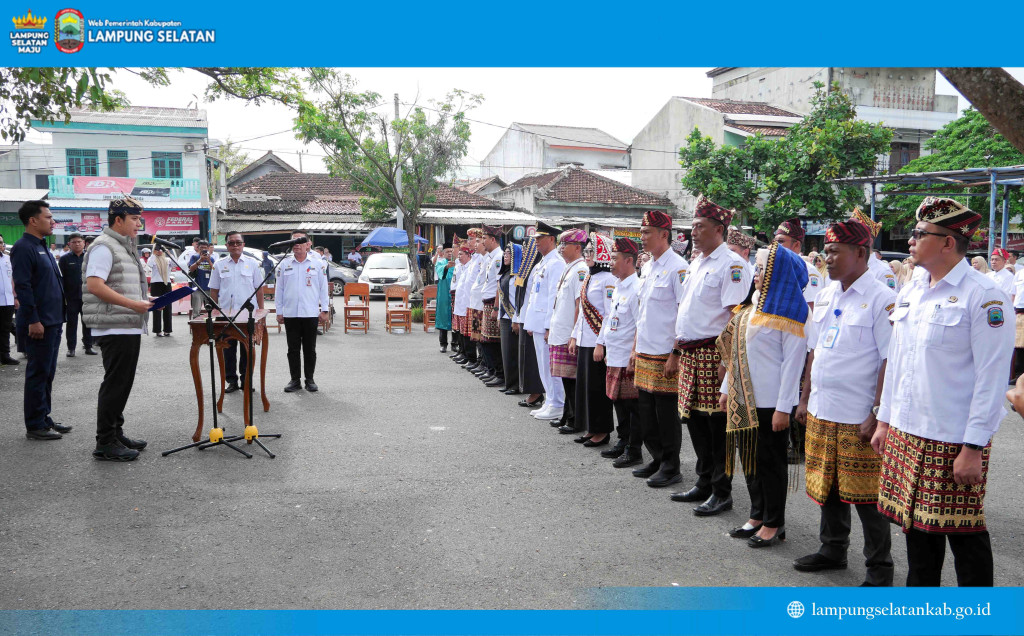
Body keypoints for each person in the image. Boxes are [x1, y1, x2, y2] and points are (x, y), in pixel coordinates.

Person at [872, 197, 1012, 587]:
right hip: (906, 430)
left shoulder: (984, 295)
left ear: (949, 243)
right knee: (916, 536)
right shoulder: (914, 288)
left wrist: (973, 447)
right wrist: (885, 419)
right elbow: (899, 361)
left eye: (920, 234)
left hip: (953, 438)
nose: (911, 240)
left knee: (963, 536)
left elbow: (991, 378)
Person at [793, 215, 896, 586]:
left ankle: (879, 568)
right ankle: (832, 549)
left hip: (859, 414)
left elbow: (889, 359)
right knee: (830, 487)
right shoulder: (826, 294)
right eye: (826, 251)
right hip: (823, 407)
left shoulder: (883, 299)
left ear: (860, 252)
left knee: (868, 495)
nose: (827, 258)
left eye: (835, 252)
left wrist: (878, 411)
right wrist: (804, 398)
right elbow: (814, 350)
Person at [718, 243, 808, 547]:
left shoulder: (793, 310)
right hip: (744, 395)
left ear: (776, 272)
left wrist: (784, 408)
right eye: (756, 268)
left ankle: (774, 522)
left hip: (772, 402)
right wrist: (725, 388)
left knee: (771, 462)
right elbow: (737, 353)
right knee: (751, 460)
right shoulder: (754, 303)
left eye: (761, 269)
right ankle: (757, 514)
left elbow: (793, 365)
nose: (755, 274)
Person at [667, 197, 752, 508]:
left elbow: (737, 318)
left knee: (718, 427)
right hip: (690, 352)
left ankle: (721, 491)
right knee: (696, 423)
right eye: (692, 226)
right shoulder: (697, 262)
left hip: (713, 354)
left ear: (719, 229)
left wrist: (728, 364)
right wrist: (676, 350)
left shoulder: (732, 264)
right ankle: (703, 483)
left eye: (699, 227)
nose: (693, 232)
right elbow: (687, 311)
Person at [82, 196, 153, 460]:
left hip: (126, 323)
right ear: (118, 219)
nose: (139, 223)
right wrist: (134, 305)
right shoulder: (104, 247)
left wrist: (144, 301)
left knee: (122, 383)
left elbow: (121, 284)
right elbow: (95, 286)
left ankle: (115, 431)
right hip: (114, 325)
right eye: (134, 219)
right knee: (115, 383)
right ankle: (105, 442)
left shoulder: (123, 246)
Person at [630, 210, 688, 484]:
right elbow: (642, 312)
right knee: (647, 412)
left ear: (664, 235)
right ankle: (656, 458)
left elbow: (683, 314)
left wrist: (676, 353)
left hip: (665, 352)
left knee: (666, 414)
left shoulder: (678, 268)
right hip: (644, 349)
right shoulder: (648, 266)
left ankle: (671, 466)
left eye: (646, 232)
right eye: (641, 232)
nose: (642, 238)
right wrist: (634, 349)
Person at [12, 200, 69, 440]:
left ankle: (44, 416)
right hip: (40, 323)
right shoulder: (23, 247)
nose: (52, 221)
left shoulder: (42, 246)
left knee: (48, 372)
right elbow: (23, 287)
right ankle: (34, 424)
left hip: (53, 320)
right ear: (33, 220)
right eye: (48, 217)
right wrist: (33, 320)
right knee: (38, 372)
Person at [596, 237, 643, 466]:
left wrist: (633, 354)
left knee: (632, 406)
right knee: (618, 403)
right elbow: (610, 319)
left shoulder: (637, 288)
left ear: (629, 260)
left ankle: (634, 449)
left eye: (615, 259)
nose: (610, 262)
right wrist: (603, 344)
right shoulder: (618, 286)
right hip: (614, 354)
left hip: (627, 356)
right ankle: (622, 442)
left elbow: (639, 325)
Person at [568, 233, 617, 445]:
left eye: (591, 251)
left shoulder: (608, 280)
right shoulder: (589, 276)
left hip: (597, 342)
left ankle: (602, 431)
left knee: (597, 389)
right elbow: (582, 311)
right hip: (584, 340)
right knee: (585, 387)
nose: (587, 255)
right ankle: (590, 427)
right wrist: (573, 336)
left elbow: (608, 314)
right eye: (586, 251)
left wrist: (600, 343)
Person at [209, 230, 266, 394]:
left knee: (248, 349)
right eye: (231, 243)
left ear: (243, 245)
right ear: (226, 246)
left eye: (238, 243)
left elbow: (259, 290)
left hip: (249, 315)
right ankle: (231, 381)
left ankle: (246, 380)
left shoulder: (252, 263)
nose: (235, 246)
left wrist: (261, 312)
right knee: (228, 349)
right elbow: (214, 290)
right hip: (226, 315)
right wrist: (214, 310)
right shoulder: (219, 265)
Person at [275, 231, 329, 393]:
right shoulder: (284, 264)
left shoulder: (318, 264)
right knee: (292, 349)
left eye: (301, 240)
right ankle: (295, 380)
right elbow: (280, 289)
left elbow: (323, 288)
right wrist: (279, 311)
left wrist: (325, 309)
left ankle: (310, 379)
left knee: (309, 349)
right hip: (291, 313)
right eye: (294, 241)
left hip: (310, 313)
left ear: (308, 244)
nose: (297, 243)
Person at [522, 222, 566, 421]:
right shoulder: (543, 262)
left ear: (551, 239)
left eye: (540, 239)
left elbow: (553, 297)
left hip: (546, 324)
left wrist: (549, 326)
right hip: (538, 322)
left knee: (550, 366)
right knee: (543, 365)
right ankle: (550, 400)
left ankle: (558, 403)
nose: (536, 243)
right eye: (536, 239)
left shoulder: (556, 263)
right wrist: (531, 322)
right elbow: (534, 295)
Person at [548, 228, 589, 434]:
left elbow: (579, 305)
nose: (561, 248)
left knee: (572, 380)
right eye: (561, 244)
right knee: (565, 379)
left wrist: (574, 333)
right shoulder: (569, 267)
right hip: (560, 331)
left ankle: (575, 419)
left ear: (577, 247)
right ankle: (567, 414)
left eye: (565, 244)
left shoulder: (581, 270)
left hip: (568, 334)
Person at [513, 236, 544, 407]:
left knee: (532, 359)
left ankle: (536, 392)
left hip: (531, 319)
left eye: (527, 249)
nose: (524, 252)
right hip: (524, 317)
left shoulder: (535, 269)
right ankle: (532, 391)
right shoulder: (527, 269)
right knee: (526, 358)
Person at [58, 233, 95, 357]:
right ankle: (71, 348)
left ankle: (89, 346)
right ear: (69, 244)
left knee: (88, 323)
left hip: (87, 296)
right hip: (71, 297)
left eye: (79, 241)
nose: (77, 244)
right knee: (72, 324)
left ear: (84, 243)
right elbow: (61, 279)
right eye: (74, 242)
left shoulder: (90, 257)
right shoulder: (64, 259)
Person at [477, 225, 505, 387]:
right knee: (486, 339)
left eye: (485, 239)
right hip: (486, 302)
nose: (483, 242)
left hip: (492, 304)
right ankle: (492, 370)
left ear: (493, 239)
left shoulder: (498, 257)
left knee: (493, 341)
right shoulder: (490, 257)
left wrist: (496, 307)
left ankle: (499, 373)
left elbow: (498, 285)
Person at [497, 240, 521, 394]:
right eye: (505, 253)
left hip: (514, 318)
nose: (506, 256)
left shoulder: (518, 275)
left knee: (513, 353)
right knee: (505, 352)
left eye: (509, 253)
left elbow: (519, 299)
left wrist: (516, 319)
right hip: (505, 316)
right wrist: (500, 315)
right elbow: (501, 297)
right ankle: (508, 382)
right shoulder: (505, 273)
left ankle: (515, 384)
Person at [451, 238, 477, 367]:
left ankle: (470, 357)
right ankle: (463, 353)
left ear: (468, 255)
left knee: (467, 332)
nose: (459, 256)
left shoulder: (470, 266)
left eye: (462, 254)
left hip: (467, 304)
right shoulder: (460, 266)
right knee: (460, 331)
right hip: (459, 303)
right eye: (459, 254)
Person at [0, 235, 19, 365]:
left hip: (8, 300)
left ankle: (5, 355)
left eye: (1, 242)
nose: (1, 245)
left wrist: (16, 297)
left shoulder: (8, 259)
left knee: (5, 329)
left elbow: (14, 279)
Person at [149, 245, 175, 337]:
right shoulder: (153, 259)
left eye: (161, 249)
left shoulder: (167, 260)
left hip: (166, 283)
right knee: (157, 306)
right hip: (156, 283)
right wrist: (153, 254)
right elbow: (149, 265)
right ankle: (157, 330)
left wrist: (169, 253)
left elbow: (175, 264)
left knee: (168, 307)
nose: (159, 251)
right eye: (157, 249)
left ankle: (167, 330)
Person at [434, 243, 454, 354]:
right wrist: (447, 267)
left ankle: (455, 343)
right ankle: (443, 344)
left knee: (455, 318)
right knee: (443, 318)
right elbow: (441, 273)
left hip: (455, 294)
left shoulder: (457, 264)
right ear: (443, 253)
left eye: (451, 251)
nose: (450, 254)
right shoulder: (440, 263)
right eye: (447, 252)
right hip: (443, 294)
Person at [188, 240, 215, 320]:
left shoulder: (212, 258)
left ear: (208, 248)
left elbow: (215, 270)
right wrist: (200, 260)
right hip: (197, 288)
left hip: (209, 288)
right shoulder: (195, 257)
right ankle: (196, 326)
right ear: (198, 248)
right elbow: (191, 269)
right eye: (201, 248)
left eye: (205, 248)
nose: (203, 249)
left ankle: (209, 327)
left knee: (210, 310)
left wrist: (209, 260)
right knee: (196, 311)